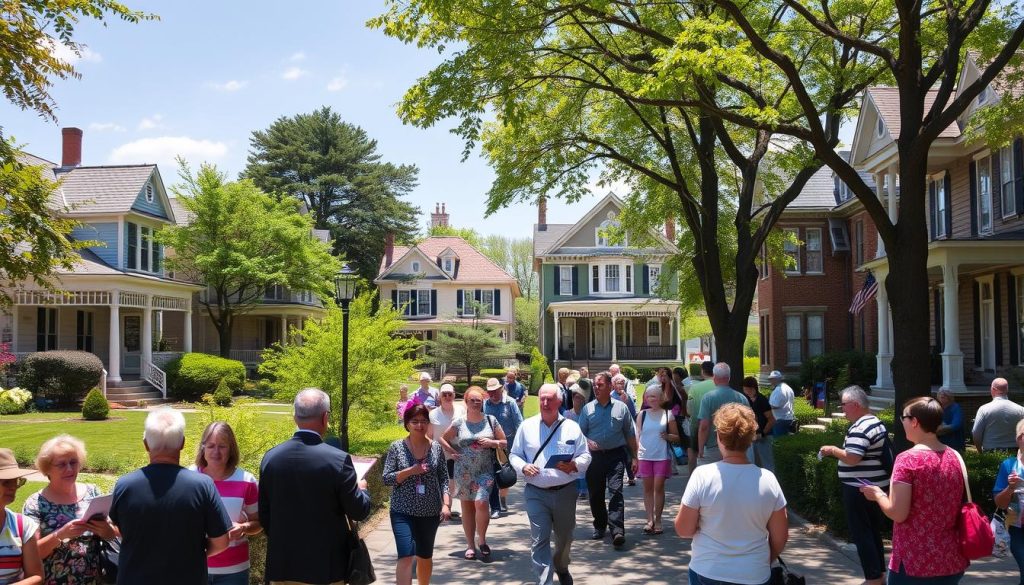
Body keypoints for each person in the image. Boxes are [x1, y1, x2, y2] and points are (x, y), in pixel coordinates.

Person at [259, 388, 371, 585]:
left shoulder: (271, 458)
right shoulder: (337, 460)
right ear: (325, 417)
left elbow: (265, 516)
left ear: (295, 417)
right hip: (326, 567)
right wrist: (362, 489)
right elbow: (359, 510)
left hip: (283, 565)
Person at [110, 408, 231, 585]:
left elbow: (119, 529)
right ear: (182, 442)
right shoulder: (202, 486)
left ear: (146, 444)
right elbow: (221, 542)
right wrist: (194, 555)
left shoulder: (125, 485)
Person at [675, 403, 788, 585]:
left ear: (719, 436)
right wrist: (761, 561)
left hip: (708, 570)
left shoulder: (702, 475)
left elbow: (683, 529)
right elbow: (780, 537)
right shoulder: (769, 480)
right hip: (754, 573)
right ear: (751, 438)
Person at [860, 397, 968, 585]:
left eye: (904, 417)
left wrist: (878, 495)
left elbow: (898, 513)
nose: (902, 422)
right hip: (951, 559)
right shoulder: (955, 456)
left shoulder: (907, 460)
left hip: (914, 563)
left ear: (915, 421)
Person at [509, 384, 591, 585]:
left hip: (565, 492)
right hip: (536, 492)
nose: (545, 403)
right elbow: (514, 454)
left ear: (559, 402)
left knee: (565, 538)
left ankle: (561, 566)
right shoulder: (526, 426)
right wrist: (523, 466)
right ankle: (545, 581)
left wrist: (574, 464)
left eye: (549, 399)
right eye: (542, 399)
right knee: (540, 538)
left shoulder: (572, 427)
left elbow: (585, 454)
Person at [819, 386, 890, 585]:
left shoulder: (861, 426)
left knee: (862, 533)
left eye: (844, 405)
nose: (842, 409)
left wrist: (832, 450)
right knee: (872, 531)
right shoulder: (874, 421)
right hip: (872, 488)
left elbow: (852, 457)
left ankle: (873, 578)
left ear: (856, 405)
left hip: (860, 490)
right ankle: (878, 574)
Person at [22, 435, 114, 585]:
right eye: (61, 464)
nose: (70, 469)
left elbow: (111, 535)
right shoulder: (35, 503)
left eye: (73, 462)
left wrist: (106, 530)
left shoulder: (93, 492)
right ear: (47, 469)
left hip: (93, 580)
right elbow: (32, 555)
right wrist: (61, 534)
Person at [382, 404, 451, 585]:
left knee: (425, 556)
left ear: (428, 424)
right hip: (402, 510)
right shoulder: (396, 447)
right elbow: (387, 478)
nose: (419, 425)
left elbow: (444, 478)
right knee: (405, 555)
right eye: (415, 421)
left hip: (430, 512)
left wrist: (446, 504)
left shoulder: (436, 448)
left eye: (423, 421)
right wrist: (410, 471)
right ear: (407, 424)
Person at [438, 386, 507, 560]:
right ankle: (470, 545)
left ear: (482, 402)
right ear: (466, 402)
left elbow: (504, 442)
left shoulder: (491, 420)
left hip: (485, 470)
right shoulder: (459, 422)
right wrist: (451, 452)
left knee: (482, 502)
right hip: (464, 471)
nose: (475, 403)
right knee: (467, 508)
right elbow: (442, 438)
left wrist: (492, 443)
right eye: (472, 400)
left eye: (479, 400)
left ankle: (481, 540)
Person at [191, 422, 262, 585]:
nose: (216, 452)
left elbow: (258, 523)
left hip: (234, 571)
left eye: (222, 446)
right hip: (195, 567)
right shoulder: (188, 478)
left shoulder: (247, 481)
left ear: (231, 449)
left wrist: (244, 528)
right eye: (211, 446)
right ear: (203, 448)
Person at [578, 371, 638, 547]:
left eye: (600, 385)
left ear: (610, 386)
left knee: (616, 492)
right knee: (596, 493)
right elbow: (579, 434)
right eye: (595, 385)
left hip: (615, 455)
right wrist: (588, 442)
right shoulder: (588, 409)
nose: (596, 388)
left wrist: (635, 457)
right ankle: (600, 525)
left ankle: (617, 530)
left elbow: (630, 434)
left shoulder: (622, 408)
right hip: (594, 458)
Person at [636, 386, 680, 535]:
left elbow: (677, 437)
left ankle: (658, 519)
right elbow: (637, 436)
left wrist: (667, 436)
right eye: (649, 396)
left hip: (661, 456)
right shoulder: (642, 414)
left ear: (661, 398)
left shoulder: (668, 414)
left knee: (658, 487)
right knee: (647, 489)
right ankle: (650, 520)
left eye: (655, 396)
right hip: (645, 456)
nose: (652, 399)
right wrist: (635, 457)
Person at [0, 448, 42, 585]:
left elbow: (36, 576)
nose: (13, 487)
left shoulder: (22, 525)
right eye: (6, 482)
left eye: (16, 481)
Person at [484, 377, 524, 517]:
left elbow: (519, 423)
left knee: (504, 476)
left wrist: (521, 444)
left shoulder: (510, 403)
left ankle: (502, 497)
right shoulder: (485, 404)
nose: (492, 394)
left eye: (495, 391)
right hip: (489, 446)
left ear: (501, 389)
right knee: (491, 475)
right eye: (490, 392)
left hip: (507, 445)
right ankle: (495, 506)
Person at [696, 363, 748, 465]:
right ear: (729, 378)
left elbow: (704, 427)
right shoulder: (742, 398)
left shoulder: (708, 398)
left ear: (714, 377)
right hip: (736, 448)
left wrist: (700, 448)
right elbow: (748, 424)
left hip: (713, 448)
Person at [994, 418, 1024, 585]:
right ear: (1019, 438)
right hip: (1017, 529)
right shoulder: (1009, 465)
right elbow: (1000, 503)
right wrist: (1010, 488)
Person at [429, 384, 463, 519]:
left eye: (450, 394)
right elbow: (431, 435)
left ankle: (454, 508)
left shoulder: (461, 410)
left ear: (454, 395)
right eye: (444, 394)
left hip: (458, 451)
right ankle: (446, 508)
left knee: (455, 481)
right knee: (444, 480)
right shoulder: (433, 414)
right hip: (440, 452)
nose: (447, 397)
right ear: (439, 397)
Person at [972, 377, 1024, 451]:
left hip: (991, 451)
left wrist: (979, 450)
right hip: (1014, 451)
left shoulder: (984, 409)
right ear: (1007, 389)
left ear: (993, 389)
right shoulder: (1020, 409)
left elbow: (976, 433)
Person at [686, 361, 716, 473]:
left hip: (697, 426)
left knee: (693, 454)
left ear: (702, 371)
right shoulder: (720, 387)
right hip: (718, 427)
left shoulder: (694, 388)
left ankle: (692, 478)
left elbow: (689, 410)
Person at [741, 377, 776, 471]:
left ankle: (771, 483)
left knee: (767, 464)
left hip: (764, 436)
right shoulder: (745, 400)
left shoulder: (762, 400)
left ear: (753, 388)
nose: (746, 391)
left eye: (747, 389)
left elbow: (772, 419)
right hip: (751, 437)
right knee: (753, 464)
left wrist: (763, 433)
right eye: (744, 389)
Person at [611, 374, 638, 486]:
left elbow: (632, 413)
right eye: (618, 383)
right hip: (615, 429)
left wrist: (626, 401)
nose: (621, 385)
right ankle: (616, 477)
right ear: (613, 384)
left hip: (626, 428)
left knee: (629, 452)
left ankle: (631, 476)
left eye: (622, 383)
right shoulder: (610, 396)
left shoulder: (627, 396)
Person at [767, 370, 795, 436]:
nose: (770, 381)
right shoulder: (788, 388)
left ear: (775, 379)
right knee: (785, 441)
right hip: (788, 418)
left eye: (771, 379)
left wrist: (764, 405)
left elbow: (774, 405)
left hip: (780, 419)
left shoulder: (779, 390)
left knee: (778, 442)